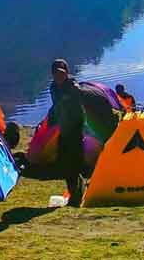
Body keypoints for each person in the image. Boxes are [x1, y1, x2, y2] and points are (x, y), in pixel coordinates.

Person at [50, 59, 86, 207]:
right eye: (56, 73)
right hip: (64, 128)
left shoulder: (72, 85)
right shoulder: (53, 87)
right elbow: (56, 105)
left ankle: (77, 194)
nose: (59, 76)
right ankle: (75, 191)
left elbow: (78, 93)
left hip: (75, 128)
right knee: (65, 163)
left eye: (61, 73)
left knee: (74, 162)